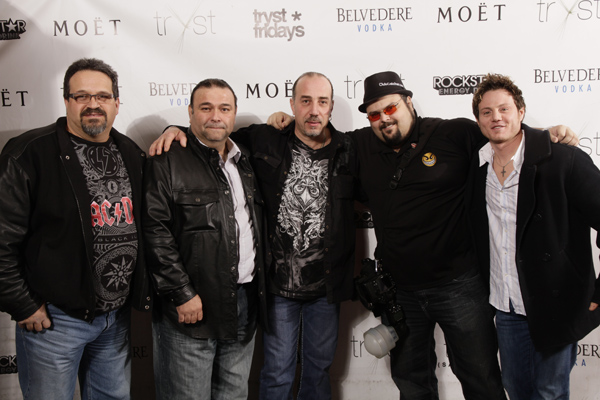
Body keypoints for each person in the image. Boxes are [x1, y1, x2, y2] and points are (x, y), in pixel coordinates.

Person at [150, 72, 359, 400]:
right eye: (305, 101)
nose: (314, 110)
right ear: (292, 104)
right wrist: (173, 130)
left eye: (322, 102)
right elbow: (212, 134)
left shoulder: (350, 149)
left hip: (325, 287)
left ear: (331, 107)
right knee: (276, 373)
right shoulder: (264, 139)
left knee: (318, 370)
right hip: (276, 286)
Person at [0, 58, 151, 400]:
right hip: (55, 320)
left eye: (102, 96)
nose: (93, 104)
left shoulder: (131, 153)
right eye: (82, 96)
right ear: (66, 100)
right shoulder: (29, 153)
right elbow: (2, 239)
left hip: (115, 321)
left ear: (116, 103)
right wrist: (23, 304)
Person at [466, 73, 600, 400]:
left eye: (504, 109)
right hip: (507, 304)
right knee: (517, 389)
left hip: (556, 302)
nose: (496, 117)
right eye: (486, 112)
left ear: (521, 111)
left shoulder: (563, 159)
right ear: (479, 121)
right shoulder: (477, 168)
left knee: (549, 393)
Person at [142, 78, 267, 400]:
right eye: (206, 108)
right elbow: (155, 231)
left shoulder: (246, 160)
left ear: (234, 113)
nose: (215, 116)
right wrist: (181, 293)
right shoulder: (167, 159)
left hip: (243, 303)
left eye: (224, 109)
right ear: (190, 112)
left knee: (233, 395)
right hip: (191, 306)